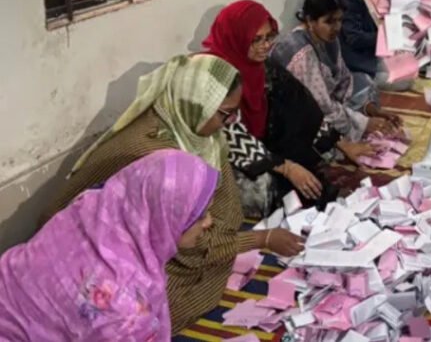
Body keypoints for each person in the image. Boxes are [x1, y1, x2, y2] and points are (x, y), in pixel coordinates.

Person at [41, 54, 305, 333]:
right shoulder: (153, 156)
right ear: (195, 104)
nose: (230, 122)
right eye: (225, 114)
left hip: (181, 242)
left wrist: (227, 236)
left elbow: (216, 204)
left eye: (233, 113)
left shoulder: (199, 132)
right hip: (125, 258)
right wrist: (259, 238)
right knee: (150, 314)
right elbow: (170, 238)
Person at [0, 150, 218, 341]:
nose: (209, 222)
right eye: (198, 216)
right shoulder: (125, 313)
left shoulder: (92, 204)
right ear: (163, 216)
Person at [202, 0, 346, 217]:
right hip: (220, 158)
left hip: (262, 147)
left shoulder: (262, 66)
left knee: (318, 151)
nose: (266, 45)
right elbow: (232, 140)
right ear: (237, 38)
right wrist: (287, 167)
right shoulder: (215, 78)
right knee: (264, 188)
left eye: (269, 37)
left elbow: (301, 106)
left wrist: (341, 143)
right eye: (256, 40)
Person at [270, 0, 402, 145]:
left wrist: (371, 109)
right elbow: (321, 106)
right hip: (300, 115)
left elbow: (344, 81)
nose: (337, 27)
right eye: (329, 21)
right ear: (310, 21)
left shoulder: (329, 39)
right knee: (338, 142)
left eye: (340, 20)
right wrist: (363, 124)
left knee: (363, 81)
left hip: (327, 100)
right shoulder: (301, 54)